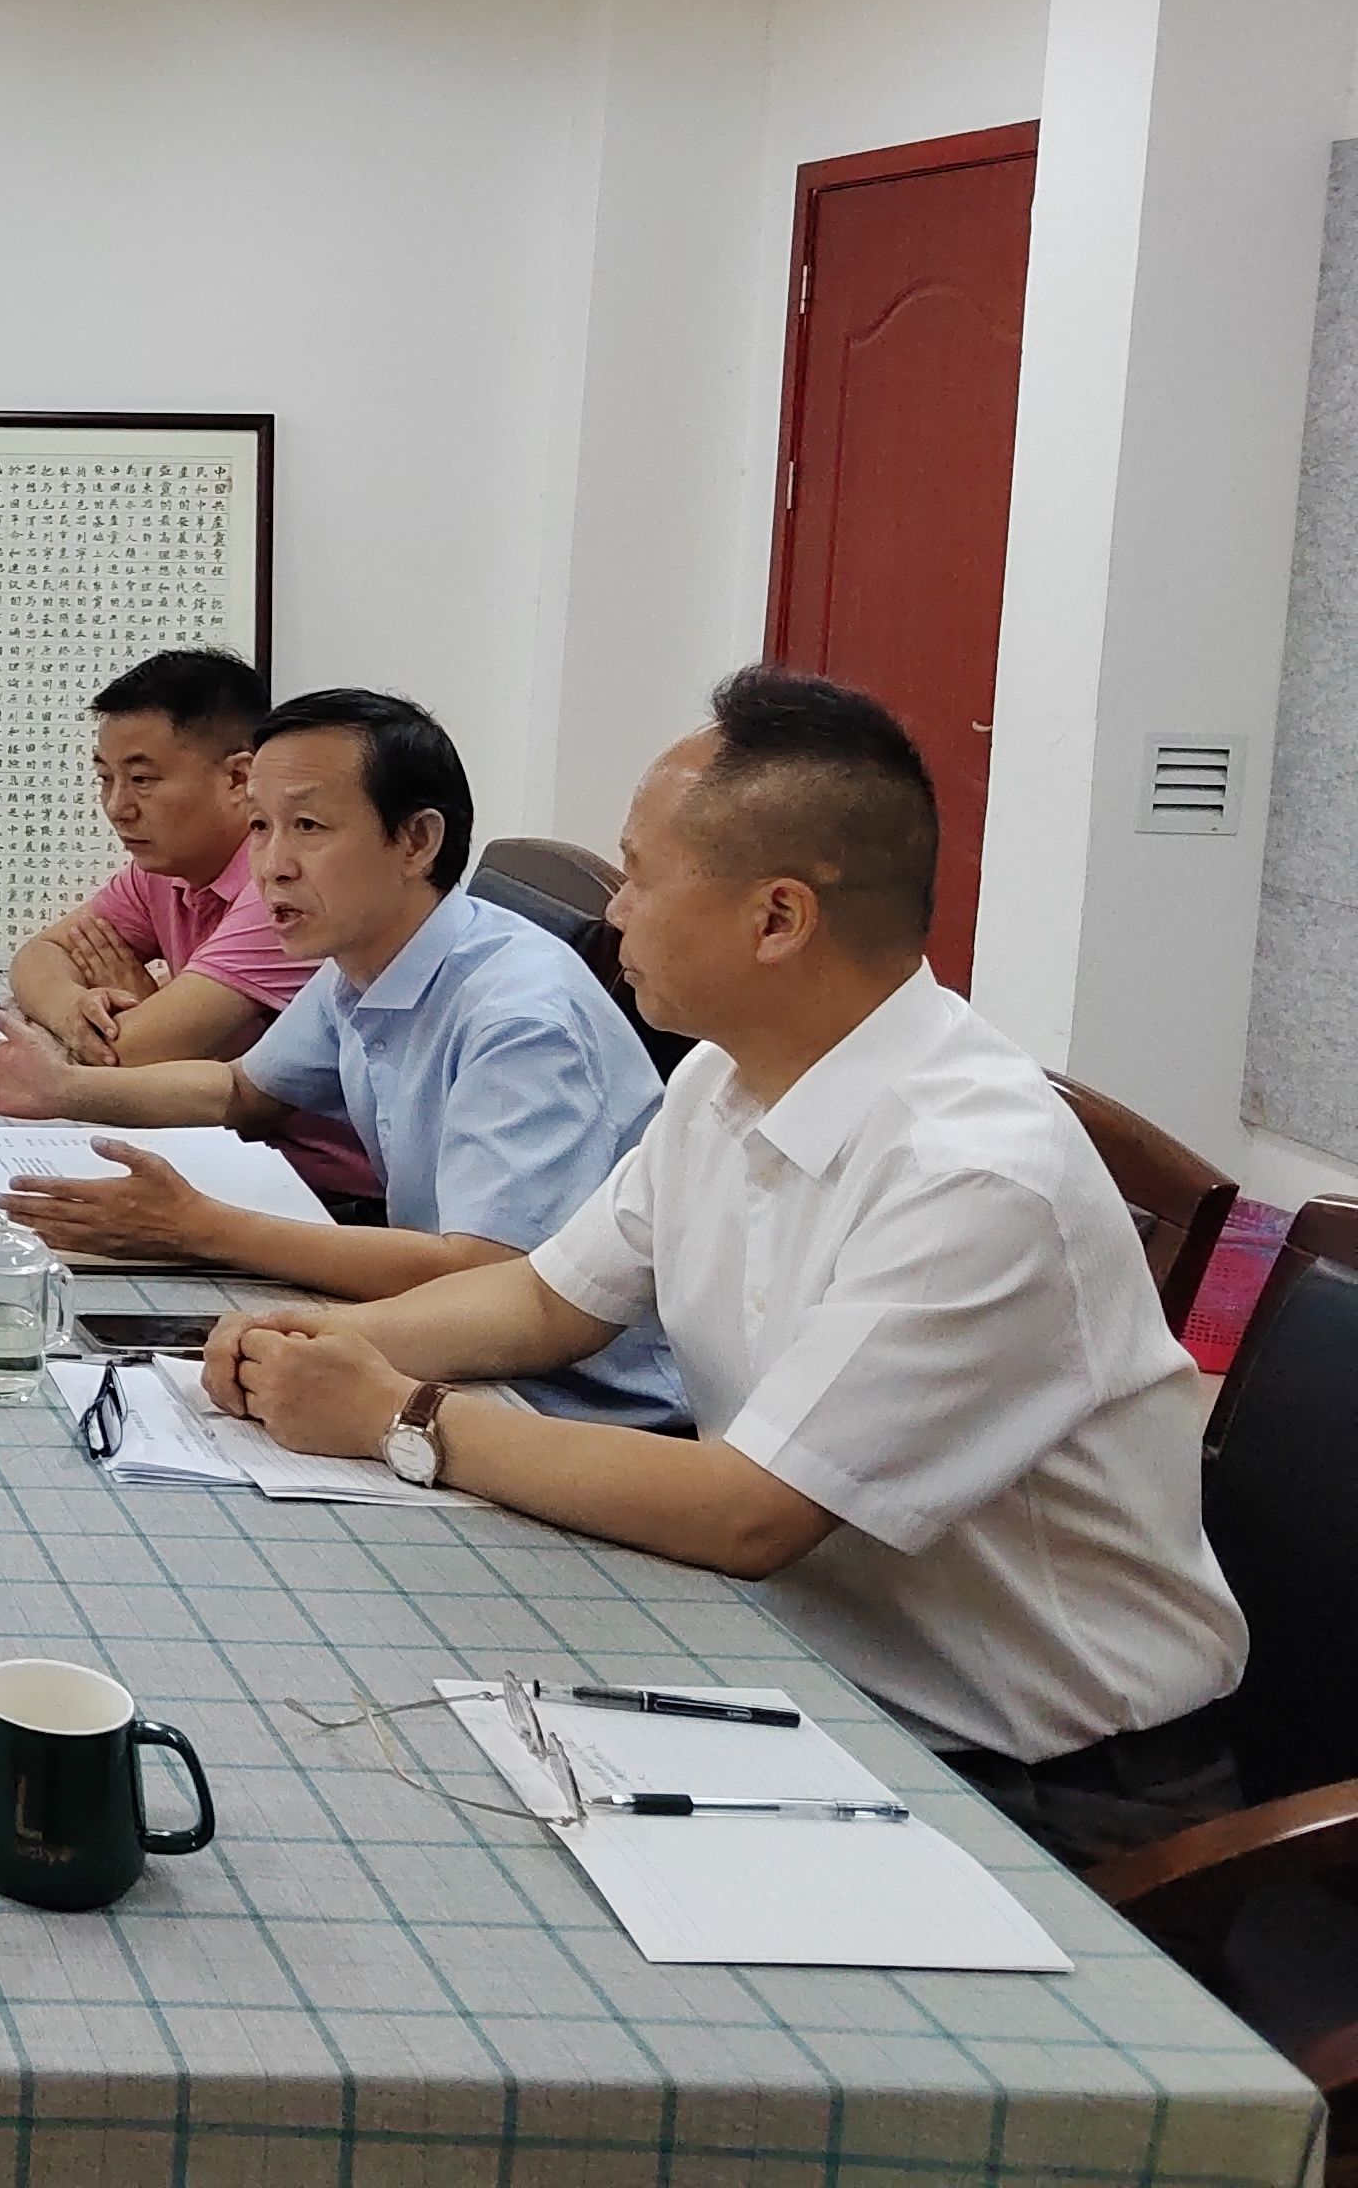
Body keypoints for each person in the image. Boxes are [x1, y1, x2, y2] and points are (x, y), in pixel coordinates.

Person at [202, 669, 1248, 1866]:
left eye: (639, 877)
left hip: (1044, 1785)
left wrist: (398, 1417)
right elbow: (545, 1299)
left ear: (776, 919)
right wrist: (317, 1343)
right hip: (800, 1661)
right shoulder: (724, 1074)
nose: (613, 916)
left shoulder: (974, 1175)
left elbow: (750, 1512)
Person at [0, 686, 679, 1429]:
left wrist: (202, 1228)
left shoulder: (521, 1018)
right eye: (260, 827)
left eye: (307, 827)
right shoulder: (370, 953)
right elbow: (240, 1089)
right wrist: (62, 1089)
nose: (271, 865)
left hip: (568, 1399)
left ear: (417, 841)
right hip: (437, 1333)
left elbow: (484, 1269)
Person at [0, 649, 373, 1202]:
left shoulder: (282, 891)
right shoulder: (165, 869)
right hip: (217, 1145)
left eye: (142, 779)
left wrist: (137, 1020)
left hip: (318, 1189)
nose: (117, 807)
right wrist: (76, 1011)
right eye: (105, 779)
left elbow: (134, 1052)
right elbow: (40, 955)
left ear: (239, 777)